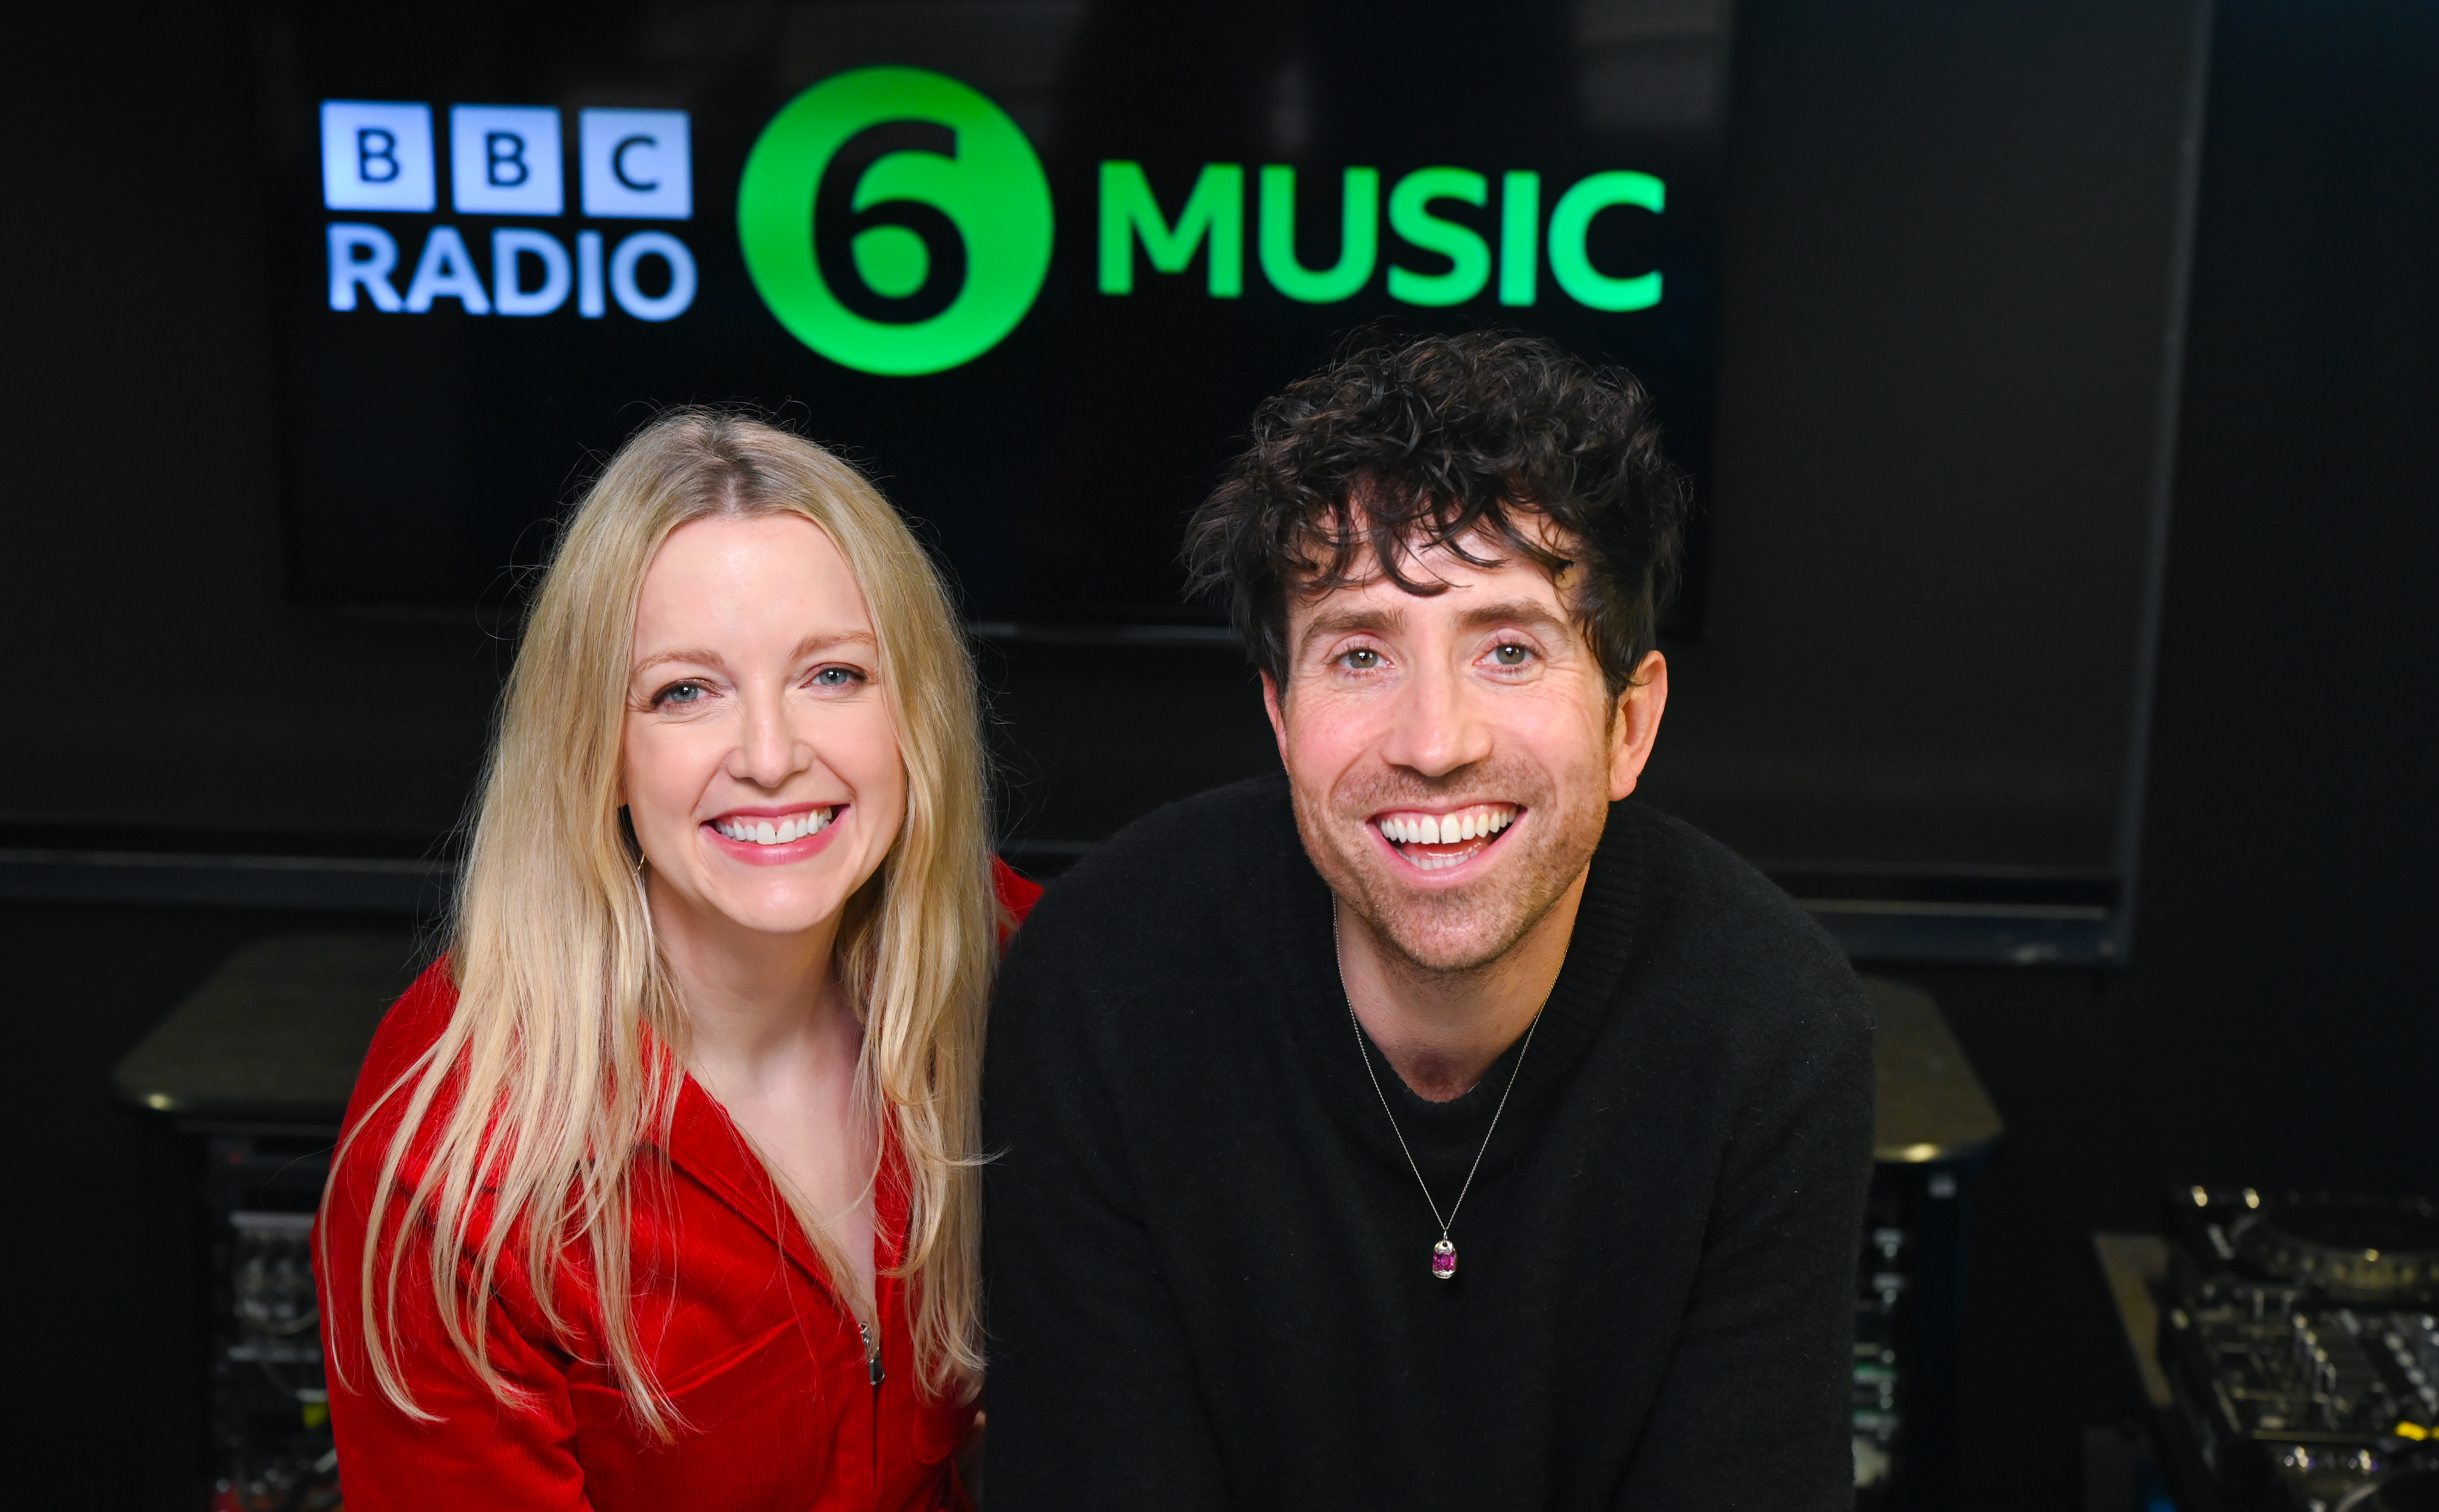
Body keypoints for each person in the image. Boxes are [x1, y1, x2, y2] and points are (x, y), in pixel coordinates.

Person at [982, 332, 1876, 1510]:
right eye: (1360, 654)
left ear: (1630, 726)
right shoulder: (1102, 988)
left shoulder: (1770, 1029)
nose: (1435, 740)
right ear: (1282, 717)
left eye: (1509, 649)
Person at [316, 412, 1038, 1512]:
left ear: (919, 719)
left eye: (834, 675)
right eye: (684, 693)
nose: (770, 755)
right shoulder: (457, 1153)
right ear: (594, 752)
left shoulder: (1021, 966)